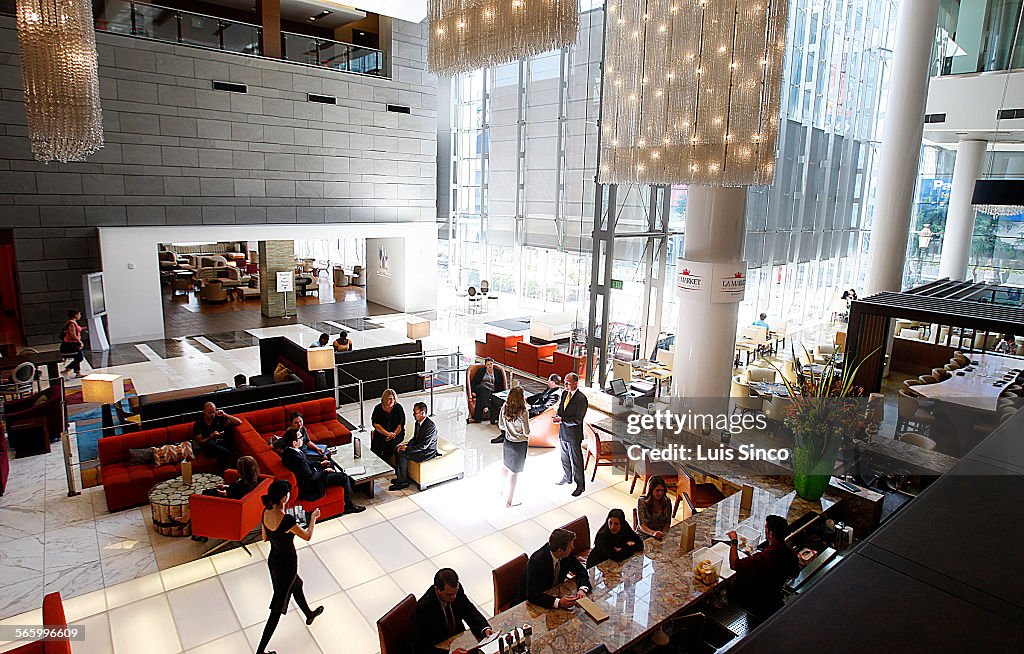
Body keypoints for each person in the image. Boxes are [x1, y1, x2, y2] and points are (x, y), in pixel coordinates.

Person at [255, 479, 325, 654]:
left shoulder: (266, 511)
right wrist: (313, 518)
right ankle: (260, 651)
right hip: (287, 563)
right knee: (277, 609)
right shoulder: (286, 520)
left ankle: (309, 614)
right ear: (284, 497)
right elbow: (307, 536)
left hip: (274, 560)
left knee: (297, 585)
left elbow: (265, 538)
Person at [726, 514, 799, 620]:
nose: (765, 530)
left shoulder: (764, 558)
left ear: (771, 534)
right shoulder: (790, 552)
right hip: (774, 597)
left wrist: (734, 541)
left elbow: (734, 564)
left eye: (766, 527)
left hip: (755, 601)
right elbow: (795, 573)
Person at [279, 429, 365, 514]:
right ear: (294, 443)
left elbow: (307, 463)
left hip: (308, 476)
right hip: (311, 485)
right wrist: (325, 471)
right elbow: (311, 476)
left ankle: (346, 489)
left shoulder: (288, 451)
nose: (303, 438)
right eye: (300, 437)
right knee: (343, 476)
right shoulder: (297, 459)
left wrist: (320, 464)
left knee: (330, 464)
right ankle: (349, 505)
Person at [412, 568, 493, 654]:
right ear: (437, 589)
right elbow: (421, 647)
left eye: (455, 592)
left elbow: (469, 611)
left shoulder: (456, 591)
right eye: (449, 594)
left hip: (459, 640)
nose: (454, 597)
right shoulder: (423, 608)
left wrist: (484, 628)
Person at [522, 528, 592, 609]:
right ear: (560, 551)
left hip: (556, 591)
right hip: (534, 604)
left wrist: (582, 588)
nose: (573, 547)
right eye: (570, 546)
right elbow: (532, 595)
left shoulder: (566, 554)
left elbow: (580, 570)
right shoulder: (536, 562)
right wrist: (558, 602)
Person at [553, 372, 588, 497]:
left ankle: (580, 485)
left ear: (575, 383)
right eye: (565, 382)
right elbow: (561, 409)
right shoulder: (564, 394)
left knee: (576, 460)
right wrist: (558, 415)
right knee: (564, 457)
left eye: (568, 382)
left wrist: (562, 420)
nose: (565, 384)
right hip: (563, 432)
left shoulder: (581, 399)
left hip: (574, 435)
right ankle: (567, 477)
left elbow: (578, 420)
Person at [390, 402, 438, 491]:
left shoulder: (430, 427)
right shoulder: (418, 422)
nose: (413, 415)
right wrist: (406, 445)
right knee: (397, 448)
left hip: (427, 452)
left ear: (422, 413)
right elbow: (415, 438)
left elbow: (424, 446)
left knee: (402, 454)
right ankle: (401, 477)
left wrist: (407, 449)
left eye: (415, 413)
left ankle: (403, 481)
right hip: (419, 448)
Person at [497, 386, 530, 508]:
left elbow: (501, 425)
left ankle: (500, 490)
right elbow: (527, 432)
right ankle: (510, 501)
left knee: (505, 467)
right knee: (515, 473)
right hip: (519, 444)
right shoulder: (523, 412)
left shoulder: (504, 407)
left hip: (508, 441)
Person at [193, 402, 242, 470]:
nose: (212, 414)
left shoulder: (218, 418)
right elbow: (201, 442)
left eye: (213, 412)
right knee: (211, 444)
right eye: (209, 413)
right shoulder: (198, 424)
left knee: (228, 435)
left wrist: (224, 414)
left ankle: (226, 471)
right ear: (204, 412)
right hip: (209, 447)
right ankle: (231, 456)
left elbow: (238, 422)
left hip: (221, 443)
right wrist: (211, 436)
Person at [467, 358, 507, 424]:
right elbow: (474, 382)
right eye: (488, 364)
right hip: (481, 389)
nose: (490, 366)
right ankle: (486, 407)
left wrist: (501, 394)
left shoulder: (497, 372)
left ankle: (476, 418)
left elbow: (500, 385)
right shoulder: (480, 371)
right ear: (485, 365)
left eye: (491, 364)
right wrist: (473, 391)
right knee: (484, 389)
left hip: (492, 391)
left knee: (480, 398)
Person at [371, 388, 405, 463]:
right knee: (376, 446)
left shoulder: (398, 408)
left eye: (393, 398)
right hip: (382, 433)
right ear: (385, 399)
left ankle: (386, 465)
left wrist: (393, 435)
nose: (392, 401)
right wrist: (387, 434)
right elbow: (376, 425)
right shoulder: (378, 408)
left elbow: (400, 425)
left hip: (396, 434)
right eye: (390, 398)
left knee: (389, 446)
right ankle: (376, 464)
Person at [60, 309, 85, 378]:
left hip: (73, 343)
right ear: (75, 315)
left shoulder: (73, 322)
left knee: (77, 357)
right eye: (79, 314)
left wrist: (82, 328)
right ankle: (67, 370)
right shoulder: (71, 323)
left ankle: (77, 372)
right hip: (70, 344)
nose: (80, 316)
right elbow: (72, 335)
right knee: (79, 357)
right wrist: (80, 342)